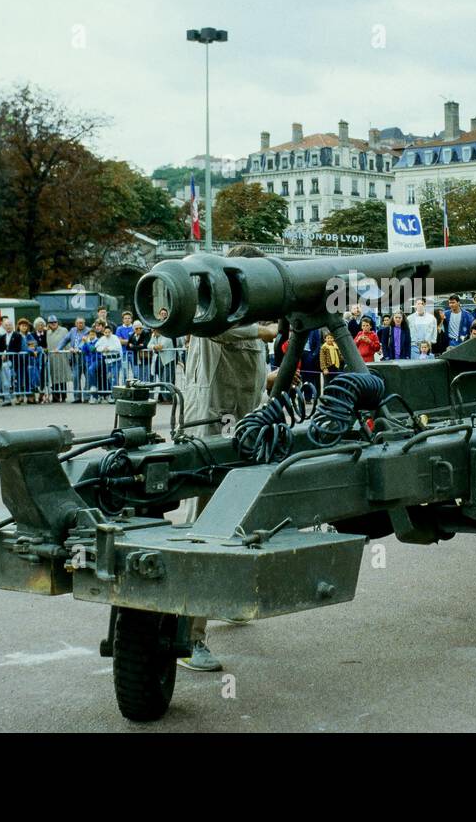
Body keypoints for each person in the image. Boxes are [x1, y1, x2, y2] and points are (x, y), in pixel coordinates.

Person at [174, 245, 279, 672]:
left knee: (239, 523)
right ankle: (188, 636)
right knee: (205, 530)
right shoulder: (212, 308)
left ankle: (226, 599)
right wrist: (262, 334)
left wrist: (275, 380)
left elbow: (255, 379)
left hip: (243, 434)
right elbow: (214, 330)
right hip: (210, 434)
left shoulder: (249, 317)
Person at [94, 321, 122, 399]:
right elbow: (97, 347)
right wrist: (103, 349)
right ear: (104, 333)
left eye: (108, 332)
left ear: (111, 332)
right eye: (105, 332)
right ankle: (112, 394)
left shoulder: (115, 337)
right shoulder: (102, 339)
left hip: (116, 360)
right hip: (107, 361)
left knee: (114, 378)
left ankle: (115, 396)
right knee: (109, 378)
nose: (107, 334)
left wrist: (108, 349)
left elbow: (118, 347)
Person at [45, 316, 70, 402]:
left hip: (62, 356)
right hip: (52, 357)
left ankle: (63, 396)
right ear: (49, 324)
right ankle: (55, 396)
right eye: (51, 323)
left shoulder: (64, 330)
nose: (53, 324)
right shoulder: (47, 332)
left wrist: (69, 355)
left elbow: (67, 342)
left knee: (62, 377)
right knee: (54, 377)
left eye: (55, 322)